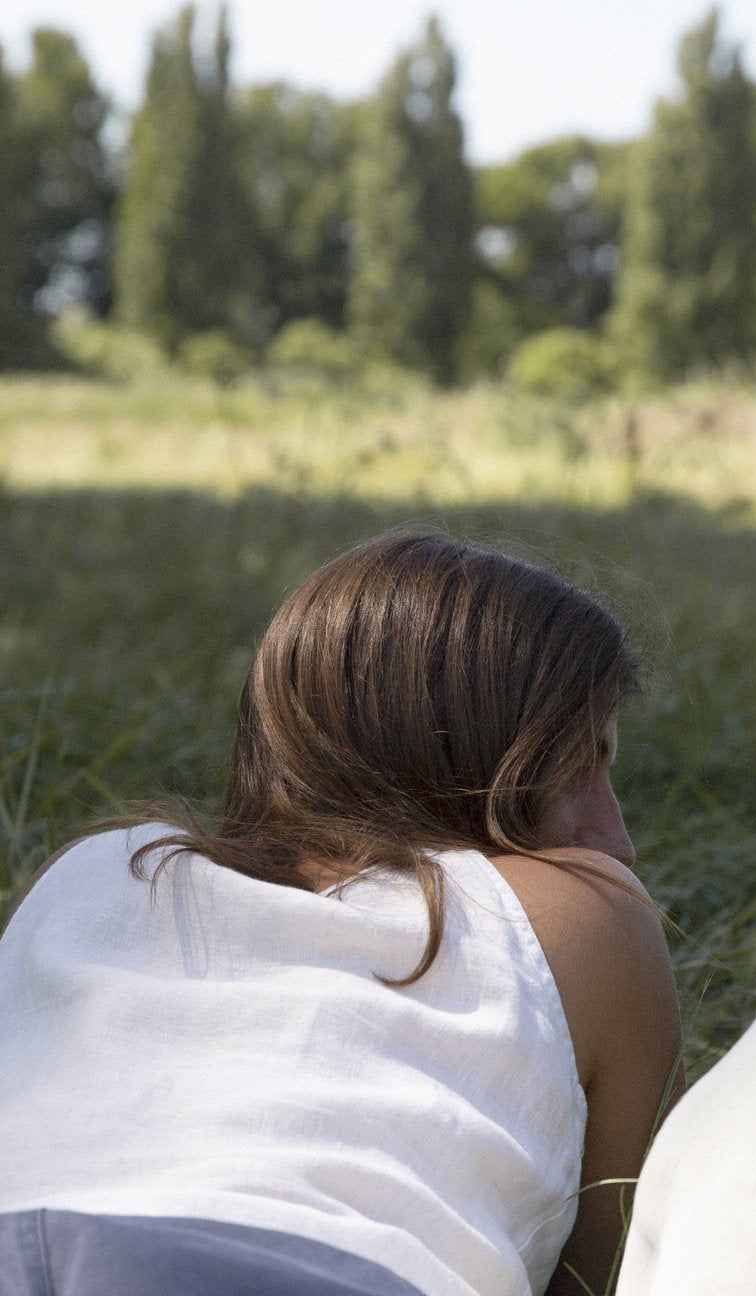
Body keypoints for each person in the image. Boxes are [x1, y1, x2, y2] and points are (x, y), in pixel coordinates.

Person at [0, 531, 684, 1296]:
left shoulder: (97, 871)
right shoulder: (584, 911)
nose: (615, 840)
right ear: (459, 756)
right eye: (574, 773)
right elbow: (612, 1269)